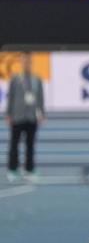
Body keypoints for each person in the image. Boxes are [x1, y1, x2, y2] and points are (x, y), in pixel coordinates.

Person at [6, 52, 45, 182]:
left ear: (31, 63)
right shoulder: (15, 79)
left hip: (31, 116)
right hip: (17, 116)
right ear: (21, 63)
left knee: (30, 145)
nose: (26, 63)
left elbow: (40, 98)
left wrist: (42, 113)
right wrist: (8, 114)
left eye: (28, 61)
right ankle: (12, 169)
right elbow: (10, 97)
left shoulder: (37, 79)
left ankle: (29, 169)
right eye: (24, 61)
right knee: (14, 144)